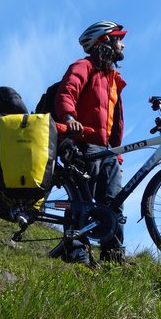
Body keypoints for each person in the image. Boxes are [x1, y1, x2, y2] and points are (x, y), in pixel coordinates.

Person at [54, 20, 128, 264]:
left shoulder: (113, 79)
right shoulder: (84, 66)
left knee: (114, 203)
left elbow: (115, 123)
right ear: (104, 40)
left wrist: (117, 154)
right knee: (80, 202)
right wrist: (69, 118)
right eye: (118, 39)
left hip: (108, 151)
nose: (122, 44)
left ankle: (113, 256)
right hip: (84, 144)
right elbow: (67, 91)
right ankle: (76, 251)